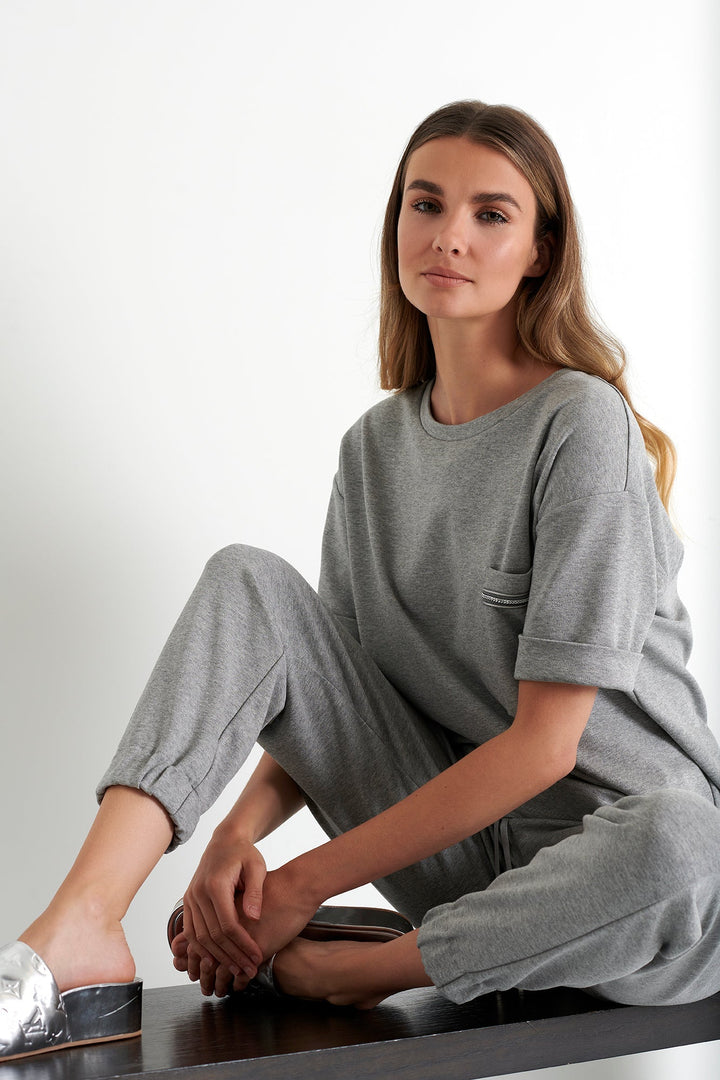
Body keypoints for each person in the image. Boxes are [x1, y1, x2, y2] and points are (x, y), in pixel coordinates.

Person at [3, 100, 720, 1060]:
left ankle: (365, 967)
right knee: (247, 581)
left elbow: (546, 748)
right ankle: (81, 928)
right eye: (426, 204)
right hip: (472, 868)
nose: (450, 236)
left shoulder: (580, 425)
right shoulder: (373, 450)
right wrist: (236, 843)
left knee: (686, 839)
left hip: (642, 887)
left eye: (491, 214)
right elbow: (322, 692)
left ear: (541, 252)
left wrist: (303, 885)